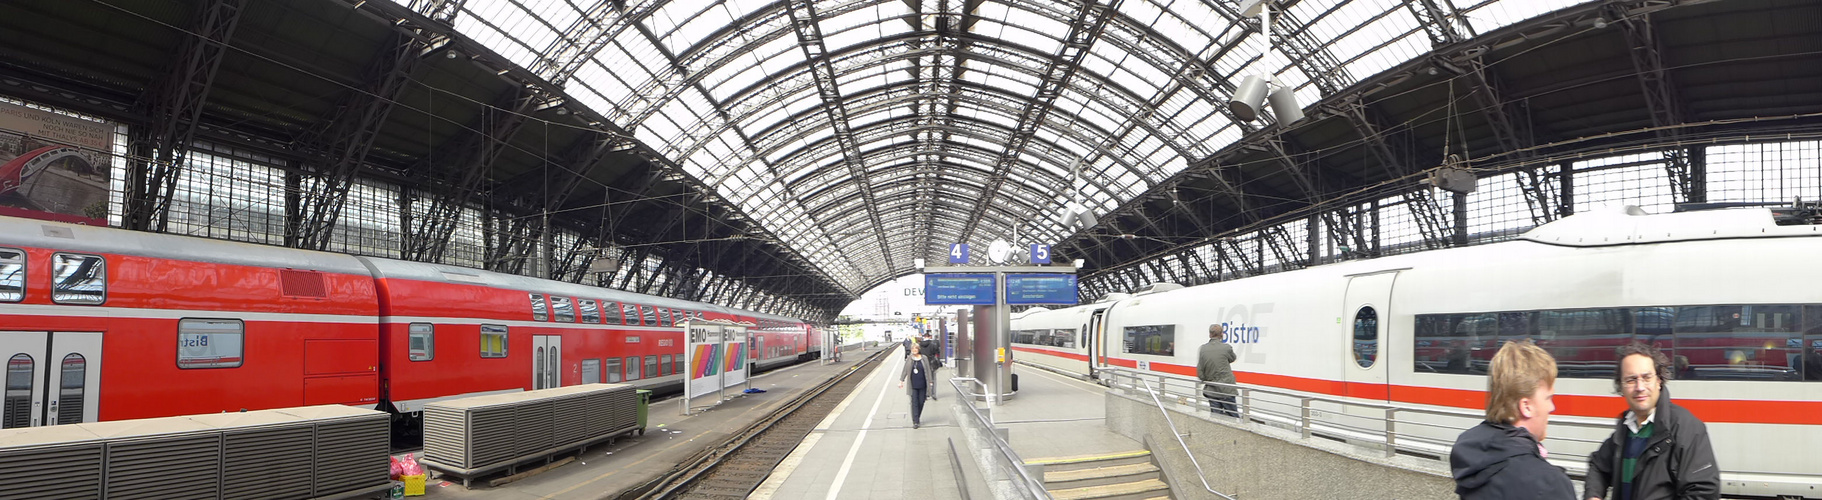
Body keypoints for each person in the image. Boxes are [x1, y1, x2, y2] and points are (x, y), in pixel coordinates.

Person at [1584, 343, 1720, 500]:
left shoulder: (1687, 428)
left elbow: (1703, 493)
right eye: (1631, 380)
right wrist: (1593, 496)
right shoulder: (1626, 426)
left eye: (1646, 377)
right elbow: (1599, 466)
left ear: (1659, 381)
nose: (1639, 387)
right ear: (1621, 386)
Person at [1450, 339, 1576, 499]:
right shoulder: (1550, 484)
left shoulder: (1470, 454)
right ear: (1527, 406)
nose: (1552, 407)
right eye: (1548, 398)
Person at [1196, 324, 1238, 418]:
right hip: (1227, 389)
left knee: (1216, 418)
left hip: (1212, 390)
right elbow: (1233, 358)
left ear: (1210, 334)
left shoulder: (1203, 349)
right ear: (1222, 334)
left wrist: (1209, 379)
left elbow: (1200, 373)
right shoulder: (1226, 348)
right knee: (1233, 418)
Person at [898, 345, 937, 429]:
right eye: (913, 349)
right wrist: (901, 381)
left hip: (923, 384)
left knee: (921, 402)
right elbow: (905, 370)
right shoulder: (909, 359)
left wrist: (930, 381)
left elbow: (928, 370)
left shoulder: (924, 358)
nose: (914, 350)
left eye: (916, 348)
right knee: (914, 403)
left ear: (919, 350)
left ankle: (917, 416)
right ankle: (915, 421)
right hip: (913, 385)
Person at [919, 333, 941, 401]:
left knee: (924, 379)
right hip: (932, 364)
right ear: (929, 337)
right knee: (933, 379)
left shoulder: (920, 345)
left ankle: (925, 395)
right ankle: (933, 394)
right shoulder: (933, 344)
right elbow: (937, 352)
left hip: (922, 364)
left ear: (924, 337)